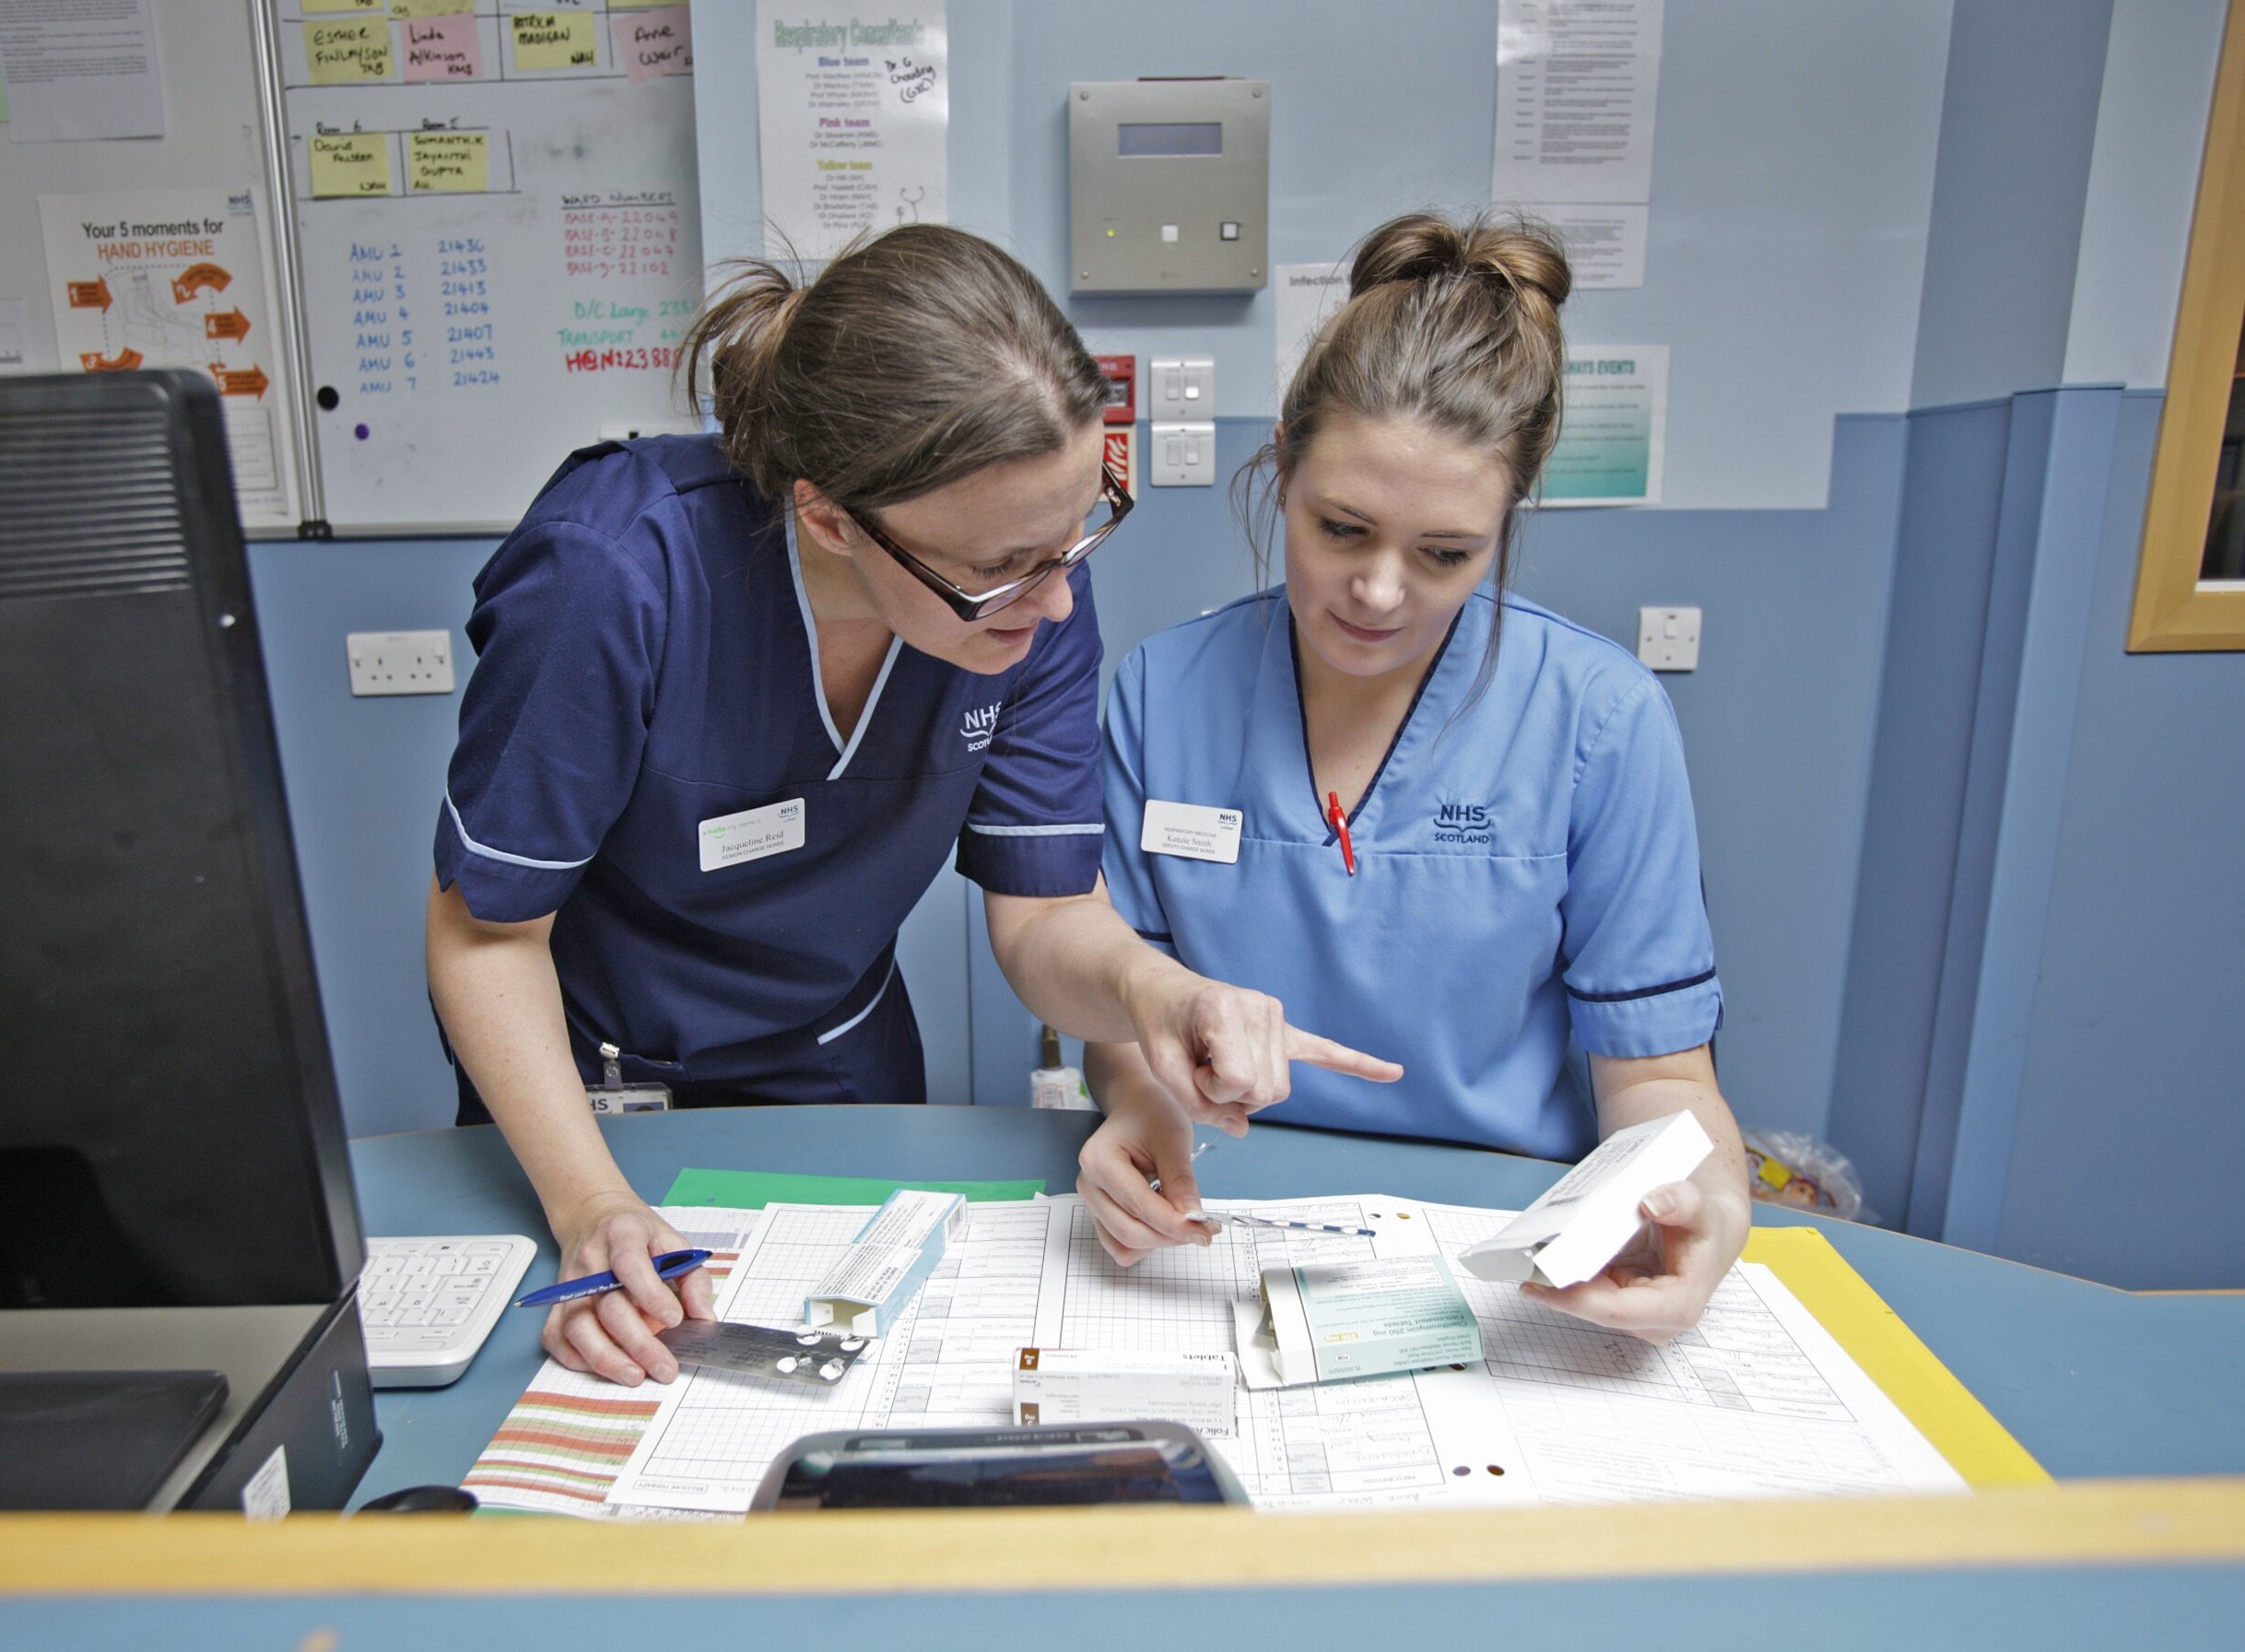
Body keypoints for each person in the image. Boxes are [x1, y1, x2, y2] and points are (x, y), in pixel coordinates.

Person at [427, 226, 1399, 1387]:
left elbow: (1042, 920)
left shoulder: (1028, 591)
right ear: (830, 517)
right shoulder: (614, 575)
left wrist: (1154, 989)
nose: (1052, 602)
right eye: (1005, 567)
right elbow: (487, 929)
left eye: (1074, 537)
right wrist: (589, 1200)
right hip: (589, 1086)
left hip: (837, 1058)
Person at [1075, 212, 1750, 1344]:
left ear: (1505, 518)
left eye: (1444, 553)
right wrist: (1138, 1111)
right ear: (1283, 459)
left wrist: (1712, 1205)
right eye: (1340, 528)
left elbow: (1660, 1083)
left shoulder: (1599, 720)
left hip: (1495, 1249)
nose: (1377, 591)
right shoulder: (1163, 693)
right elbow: (1118, 1006)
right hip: (1219, 1227)